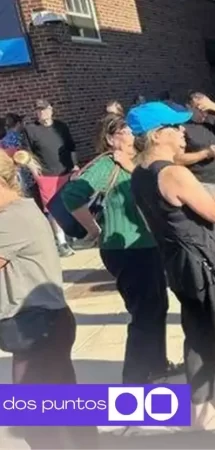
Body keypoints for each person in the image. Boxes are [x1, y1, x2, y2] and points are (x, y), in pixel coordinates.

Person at [128, 101, 215, 429]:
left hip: (177, 265)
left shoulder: (138, 175)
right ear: (156, 135)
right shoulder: (173, 174)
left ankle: (200, 407)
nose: (182, 132)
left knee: (197, 334)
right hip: (207, 262)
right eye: (175, 127)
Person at [59, 114, 184, 384]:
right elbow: (72, 195)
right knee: (143, 312)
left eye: (130, 130)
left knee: (158, 306)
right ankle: (134, 379)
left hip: (147, 245)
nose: (131, 136)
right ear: (110, 139)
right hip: (125, 249)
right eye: (124, 132)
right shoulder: (105, 165)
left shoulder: (136, 161)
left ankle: (158, 363)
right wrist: (93, 230)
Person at [0, 151, 98, 449]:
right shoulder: (18, 210)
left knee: (35, 419)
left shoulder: (12, 219)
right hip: (44, 324)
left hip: (38, 327)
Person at [177, 91, 215, 239]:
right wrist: (204, 153)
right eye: (199, 108)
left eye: (206, 108)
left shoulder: (212, 121)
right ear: (188, 107)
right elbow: (177, 158)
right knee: (204, 223)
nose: (203, 112)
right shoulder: (182, 128)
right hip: (197, 181)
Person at [21, 99, 78, 257]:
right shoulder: (30, 129)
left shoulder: (61, 126)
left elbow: (71, 147)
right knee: (53, 208)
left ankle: (71, 233)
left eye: (45, 110)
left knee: (69, 204)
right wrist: (33, 169)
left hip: (66, 171)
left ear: (51, 110)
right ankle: (61, 242)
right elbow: (27, 153)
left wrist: (75, 165)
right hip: (46, 175)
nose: (42, 113)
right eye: (39, 111)